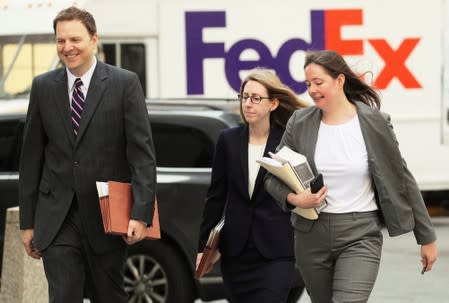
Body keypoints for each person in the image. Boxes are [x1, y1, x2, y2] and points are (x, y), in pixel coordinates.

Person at [265, 49, 438, 303]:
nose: (312, 90)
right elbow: (272, 178)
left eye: (318, 82)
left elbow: (402, 178)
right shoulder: (299, 122)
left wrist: (427, 237)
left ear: (340, 81)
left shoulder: (375, 122)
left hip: (360, 234)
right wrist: (295, 199)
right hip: (310, 235)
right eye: (308, 84)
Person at [19, 6, 156, 303]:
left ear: (94, 40)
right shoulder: (43, 87)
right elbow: (31, 159)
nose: (67, 47)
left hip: (107, 217)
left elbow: (142, 155)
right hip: (57, 218)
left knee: (108, 296)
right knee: (64, 294)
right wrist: (28, 222)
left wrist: (141, 213)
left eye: (75, 40)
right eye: (61, 41)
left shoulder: (124, 84)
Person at [196, 68, 308, 302]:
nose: (248, 103)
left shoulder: (286, 142)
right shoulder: (228, 140)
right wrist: (203, 248)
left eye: (256, 98)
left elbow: (298, 188)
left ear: (273, 104)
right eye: (244, 97)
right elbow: (215, 196)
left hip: (276, 251)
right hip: (236, 252)